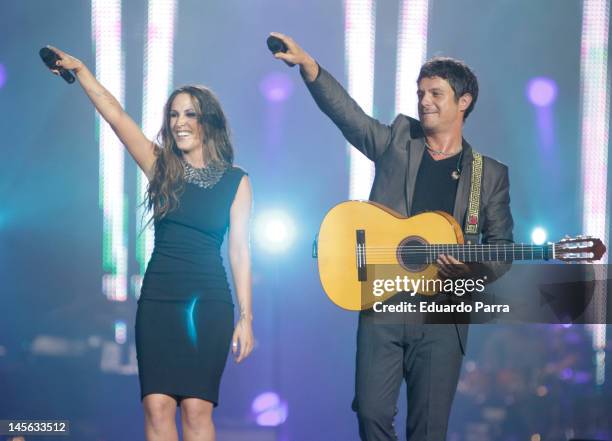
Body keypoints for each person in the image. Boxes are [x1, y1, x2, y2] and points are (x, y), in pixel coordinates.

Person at [270, 33, 513, 440]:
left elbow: (502, 250)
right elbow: (350, 117)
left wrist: (469, 269)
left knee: (428, 430)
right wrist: (310, 68)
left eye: (436, 93)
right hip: (382, 303)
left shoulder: (487, 175)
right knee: (370, 415)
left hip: (442, 316)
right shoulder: (399, 140)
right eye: (420, 93)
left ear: (464, 101)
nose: (424, 101)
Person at [45, 46, 254, 441]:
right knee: (156, 407)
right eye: (173, 115)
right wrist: (83, 71)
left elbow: (240, 251)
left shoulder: (236, 181)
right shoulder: (161, 166)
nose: (179, 122)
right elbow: (116, 115)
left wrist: (247, 317)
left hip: (207, 303)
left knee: (195, 409)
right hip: (159, 300)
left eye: (189, 113)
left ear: (208, 121)